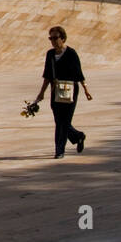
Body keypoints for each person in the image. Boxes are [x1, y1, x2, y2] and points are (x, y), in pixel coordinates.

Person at [34, 25, 93, 158]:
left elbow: (79, 73)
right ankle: (78, 136)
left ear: (63, 38)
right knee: (59, 120)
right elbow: (47, 75)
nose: (53, 41)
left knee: (64, 121)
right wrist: (41, 93)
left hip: (70, 90)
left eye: (55, 38)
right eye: (51, 38)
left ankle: (59, 150)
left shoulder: (71, 53)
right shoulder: (50, 54)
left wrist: (86, 90)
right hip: (56, 91)